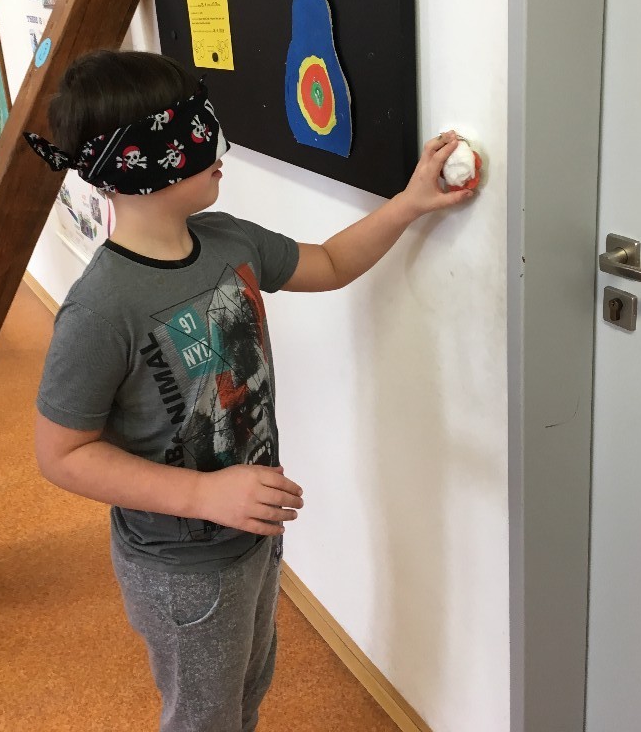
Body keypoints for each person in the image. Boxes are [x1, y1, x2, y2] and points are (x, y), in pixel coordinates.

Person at [25, 49, 474, 732]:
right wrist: (202, 495)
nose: (220, 148)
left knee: (245, 693)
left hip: (252, 536)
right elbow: (62, 453)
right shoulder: (101, 309)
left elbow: (330, 263)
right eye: (198, 134)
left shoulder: (226, 240)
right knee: (204, 717)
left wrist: (409, 204)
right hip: (181, 566)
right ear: (146, 162)